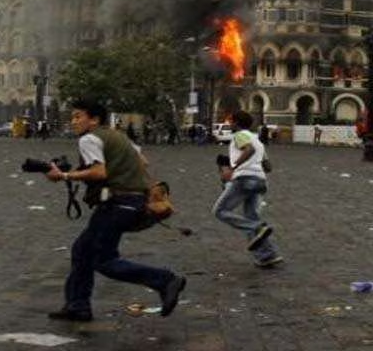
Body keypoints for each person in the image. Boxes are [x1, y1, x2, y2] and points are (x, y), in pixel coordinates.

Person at [42, 98, 186, 322]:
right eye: (73, 116)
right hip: (133, 202)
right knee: (82, 250)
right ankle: (77, 306)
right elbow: (143, 162)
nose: (73, 121)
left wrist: (64, 175)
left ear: (94, 119)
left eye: (78, 116)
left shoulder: (89, 139)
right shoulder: (118, 136)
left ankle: (165, 279)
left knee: (104, 260)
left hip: (116, 204)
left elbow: (99, 172)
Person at [213, 111, 283, 268]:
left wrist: (233, 166)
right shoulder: (259, 141)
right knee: (251, 217)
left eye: (231, 122)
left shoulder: (239, 135)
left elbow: (248, 149)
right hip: (260, 182)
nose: (230, 125)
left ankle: (258, 228)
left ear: (237, 123)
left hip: (244, 179)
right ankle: (267, 255)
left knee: (220, 211)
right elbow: (268, 166)